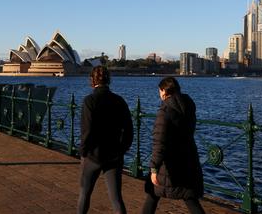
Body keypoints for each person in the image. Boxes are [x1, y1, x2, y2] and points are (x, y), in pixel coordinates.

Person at [141, 77, 205, 214]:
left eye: (159, 90)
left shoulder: (164, 112)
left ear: (164, 91)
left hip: (169, 163)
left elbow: (159, 142)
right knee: (189, 197)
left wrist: (154, 168)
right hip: (188, 158)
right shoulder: (188, 106)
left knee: (153, 192)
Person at [78, 66, 133, 214]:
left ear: (92, 80)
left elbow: (87, 130)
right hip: (114, 155)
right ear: (109, 80)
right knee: (116, 198)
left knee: (85, 194)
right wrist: (122, 149)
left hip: (92, 156)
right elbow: (129, 130)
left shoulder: (89, 100)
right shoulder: (119, 101)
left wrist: (83, 151)